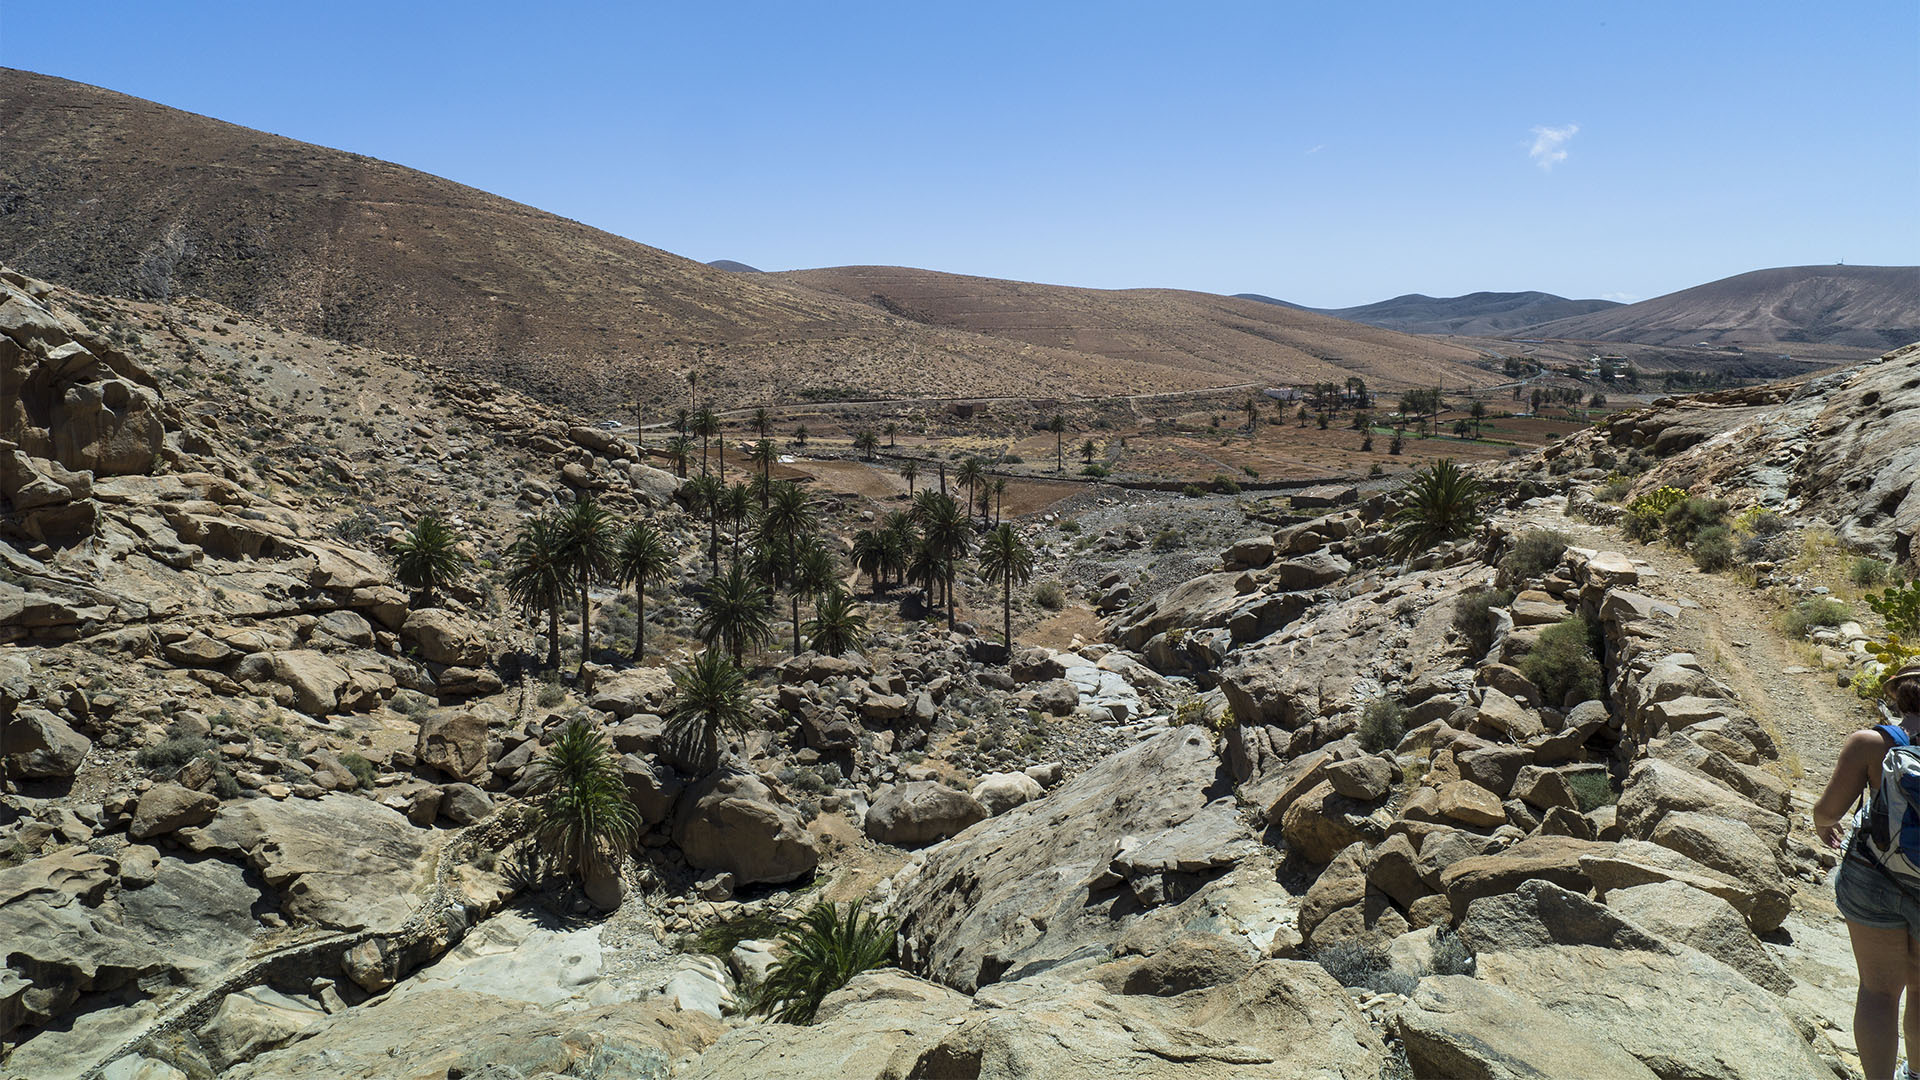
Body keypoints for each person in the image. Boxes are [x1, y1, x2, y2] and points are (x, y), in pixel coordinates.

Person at [1815, 660, 1920, 1080]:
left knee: (1878, 992)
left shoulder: (1870, 743)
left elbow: (1827, 811)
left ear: (1897, 693)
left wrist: (1824, 825)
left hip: (1873, 878)